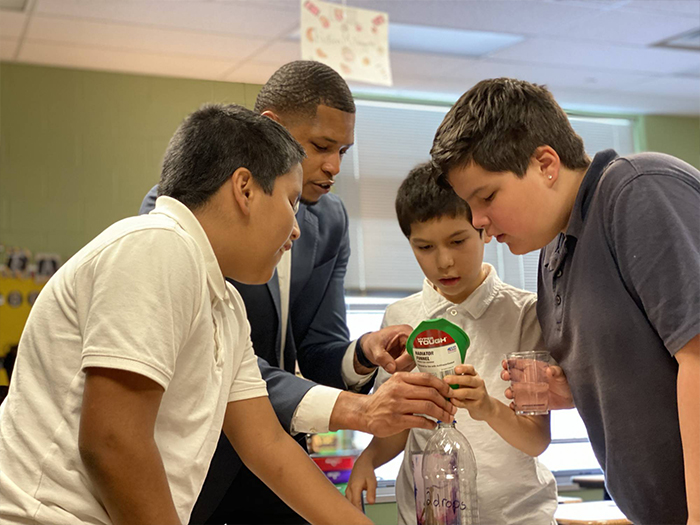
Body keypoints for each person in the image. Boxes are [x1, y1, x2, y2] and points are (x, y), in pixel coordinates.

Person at [0, 104, 373, 525]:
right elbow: (113, 441)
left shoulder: (225, 306)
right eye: (290, 202)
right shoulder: (158, 247)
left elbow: (267, 445)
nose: (296, 229)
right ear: (245, 189)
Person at [140, 61, 455, 524]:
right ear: (271, 132)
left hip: (278, 452)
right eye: (322, 146)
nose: (334, 167)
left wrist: (362, 354)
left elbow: (311, 350)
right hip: (198, 462)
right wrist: (361, 411)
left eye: (345, 151)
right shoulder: (180, 219)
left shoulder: (329, 221)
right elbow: (219, 368)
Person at [430, 77, 700, 525]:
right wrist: (578, 389)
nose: (479, 220)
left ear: (545, 164)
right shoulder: (553, 252)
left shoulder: (637, 190)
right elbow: (650, 368)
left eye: (487, 197)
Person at [344, 163, 557, 524]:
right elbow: (399, 423)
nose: (444, 261)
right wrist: (368, 458)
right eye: (424, 246)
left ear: (484, 230)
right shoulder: (401, 317)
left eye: (458, 241)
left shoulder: (526, 314)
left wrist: (487, 407)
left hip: (517, 517)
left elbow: (537, 440)